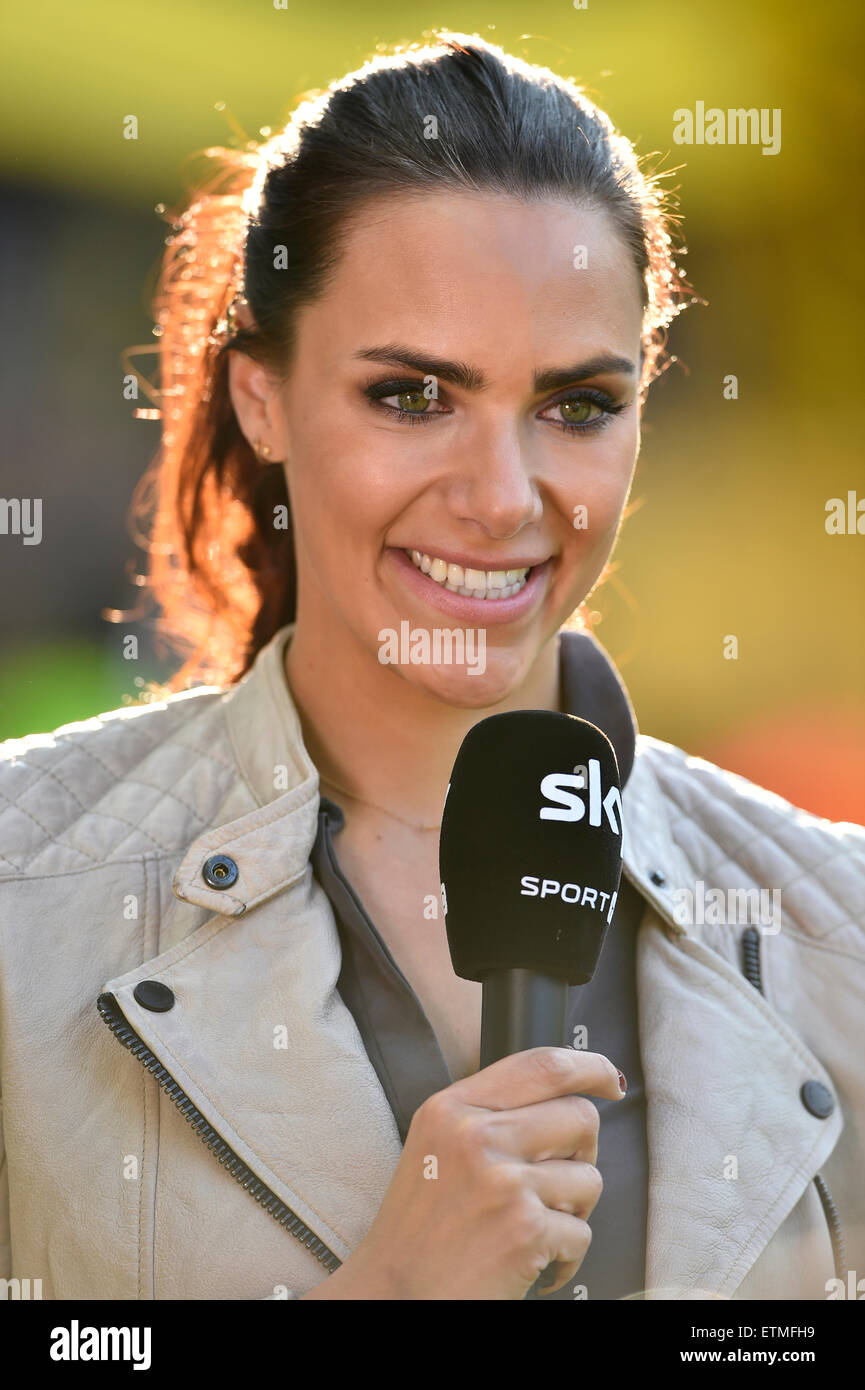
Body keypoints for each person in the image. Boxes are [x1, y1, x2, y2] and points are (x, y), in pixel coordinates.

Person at [1, 31, 862, 1303]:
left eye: (576, 406)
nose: (503, 497)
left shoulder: (837, 932)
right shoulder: (26, 901)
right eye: (413, 396)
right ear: (263, 401)